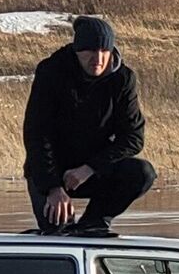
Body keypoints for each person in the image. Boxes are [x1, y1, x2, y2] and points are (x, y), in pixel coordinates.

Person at [22, 14, 155, 236]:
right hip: (51, 169)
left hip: (94, 169)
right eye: (90, 51)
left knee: (142, 172)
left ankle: (93, 222)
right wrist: (53, 187)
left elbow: (133, 137)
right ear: (77, 51)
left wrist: (90, 168)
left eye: (104, 51)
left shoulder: (123, 79)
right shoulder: (52, 72)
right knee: (57, 233)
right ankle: (57, 231)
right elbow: (37, 134)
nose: (98, 58)